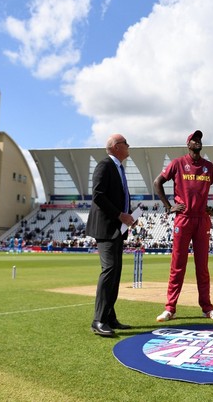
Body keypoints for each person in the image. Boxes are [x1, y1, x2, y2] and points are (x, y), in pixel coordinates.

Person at [153, 130, 213, 322]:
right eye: (194, 139)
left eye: (200, 139)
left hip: (202, 220)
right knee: (178, 266)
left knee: (202, 266)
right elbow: (157, 182)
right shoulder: (178, 163)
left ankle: (207, 308)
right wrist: (169, 207)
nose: (198, 141)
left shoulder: (208, 167)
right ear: (188, 144)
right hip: (183, 219)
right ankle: (170, 308)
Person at [86, 134, 135, 337]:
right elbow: (98, 195)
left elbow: (120, 195)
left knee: (115, 272)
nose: (128, 146)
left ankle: (109, 316)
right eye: (125, 143)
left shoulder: (118, 168)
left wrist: (128, 216)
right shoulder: (104, 165)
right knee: (109, 270)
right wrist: (119, 214)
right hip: (105, 228)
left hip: (117, 228)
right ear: (116, 147)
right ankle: (98, 320)